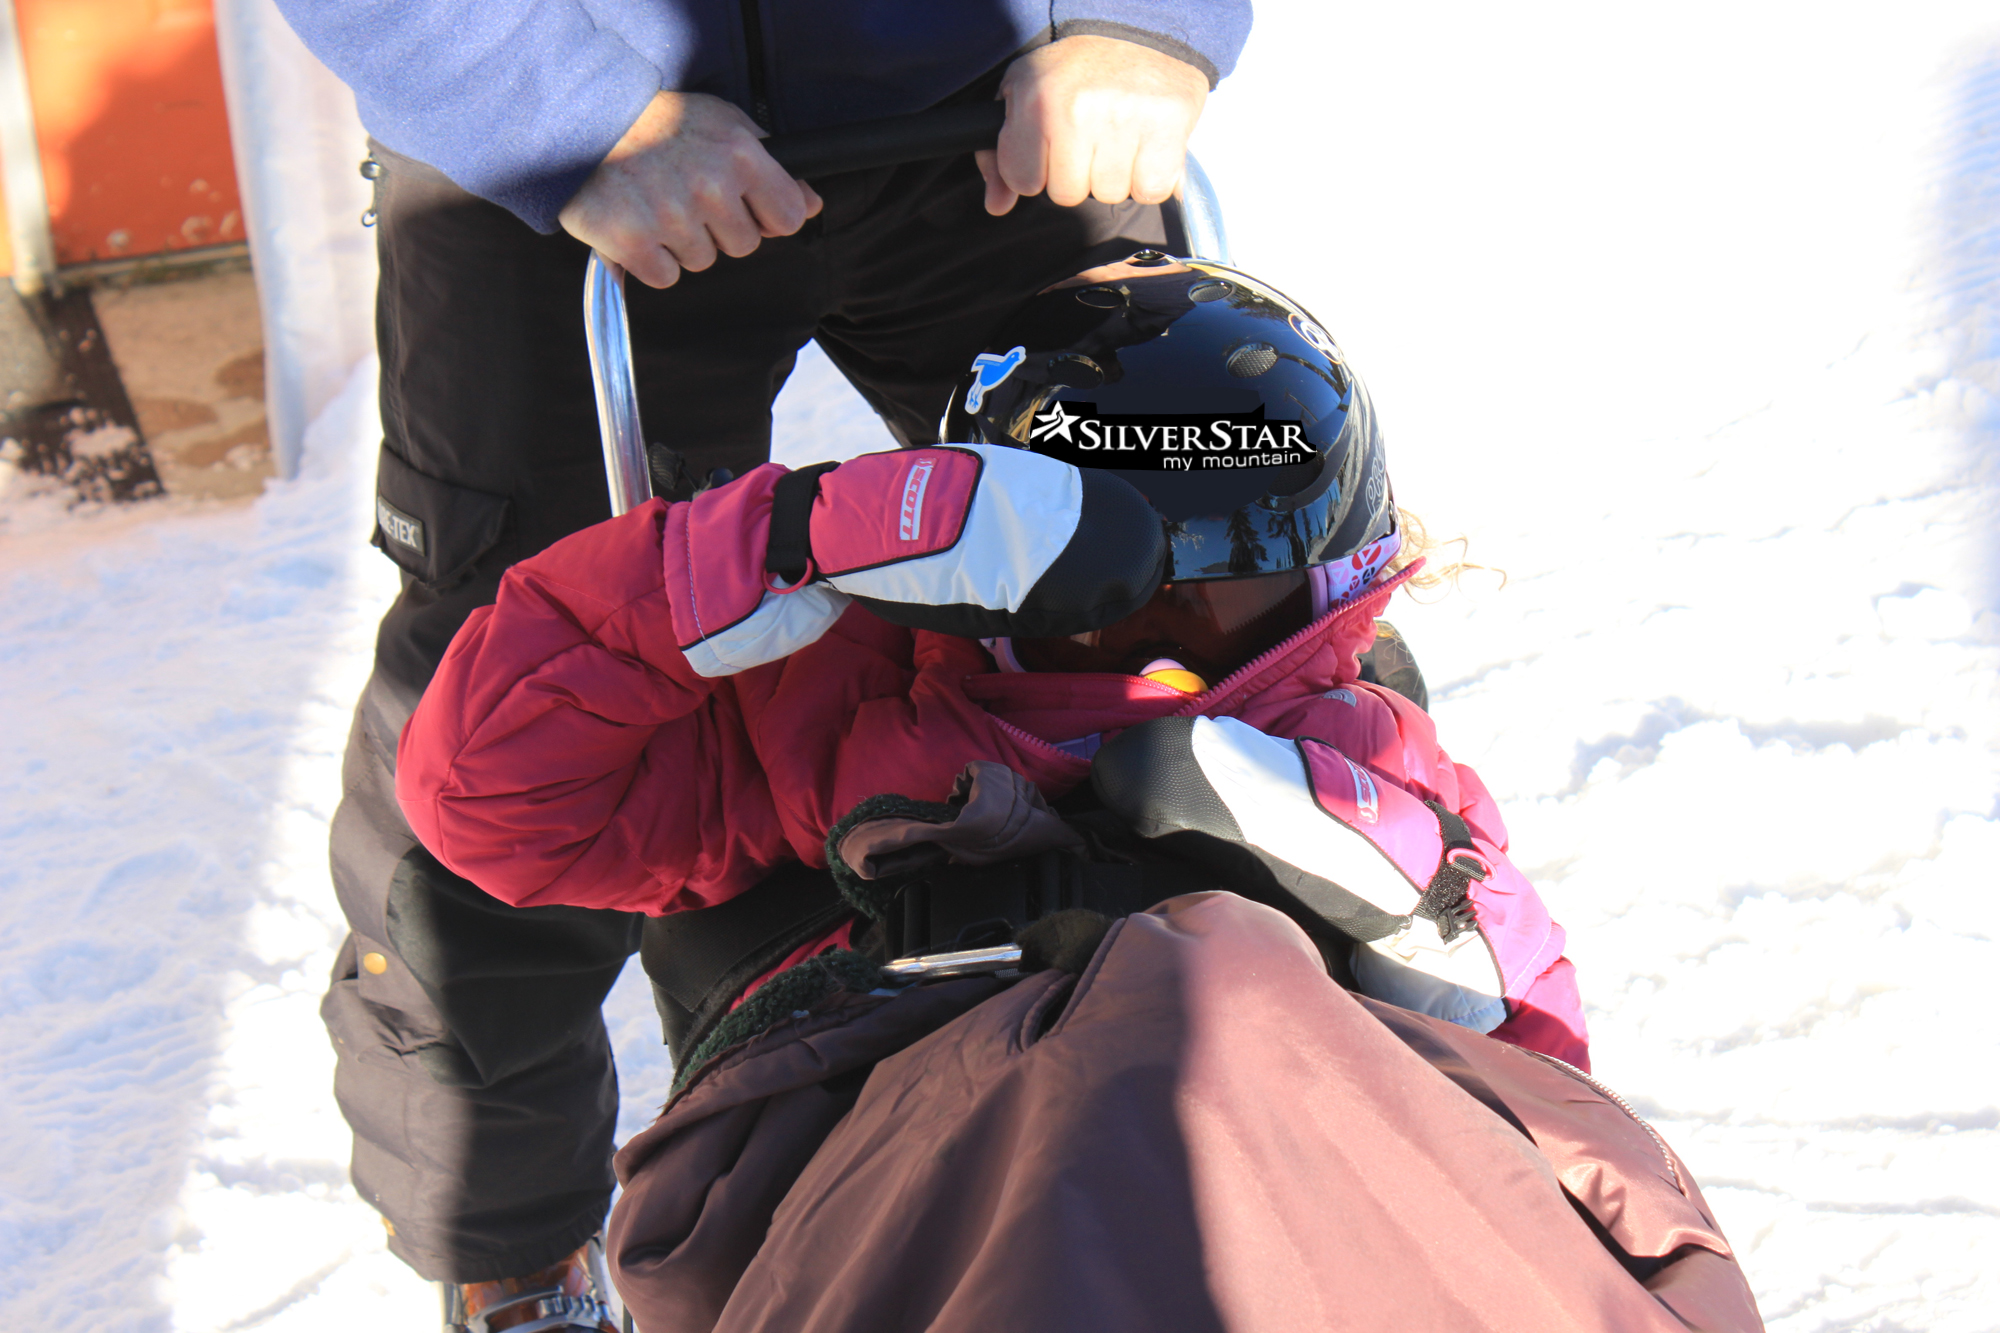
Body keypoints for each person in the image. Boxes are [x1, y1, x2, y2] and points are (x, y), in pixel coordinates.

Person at [266, 0, 1253, 1325]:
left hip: (1007, 100)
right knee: (519, 707)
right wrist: (553, 107)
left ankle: (1245, 1107)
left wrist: (1145, 20)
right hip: (563, 143)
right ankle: (515, 1252)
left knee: (1194, 617)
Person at [392, 258, 1611, 1323]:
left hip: (1278, 1156)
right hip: (906, 1131)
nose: (1164, 660)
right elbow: (491, 795)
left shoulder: (1352, 740)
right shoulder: (854, 693)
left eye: (1226, 606)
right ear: (979, 569)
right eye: (1099, 611)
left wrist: (1424, 913)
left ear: (1332, 587)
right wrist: (799, 539)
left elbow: (1550, 1107)